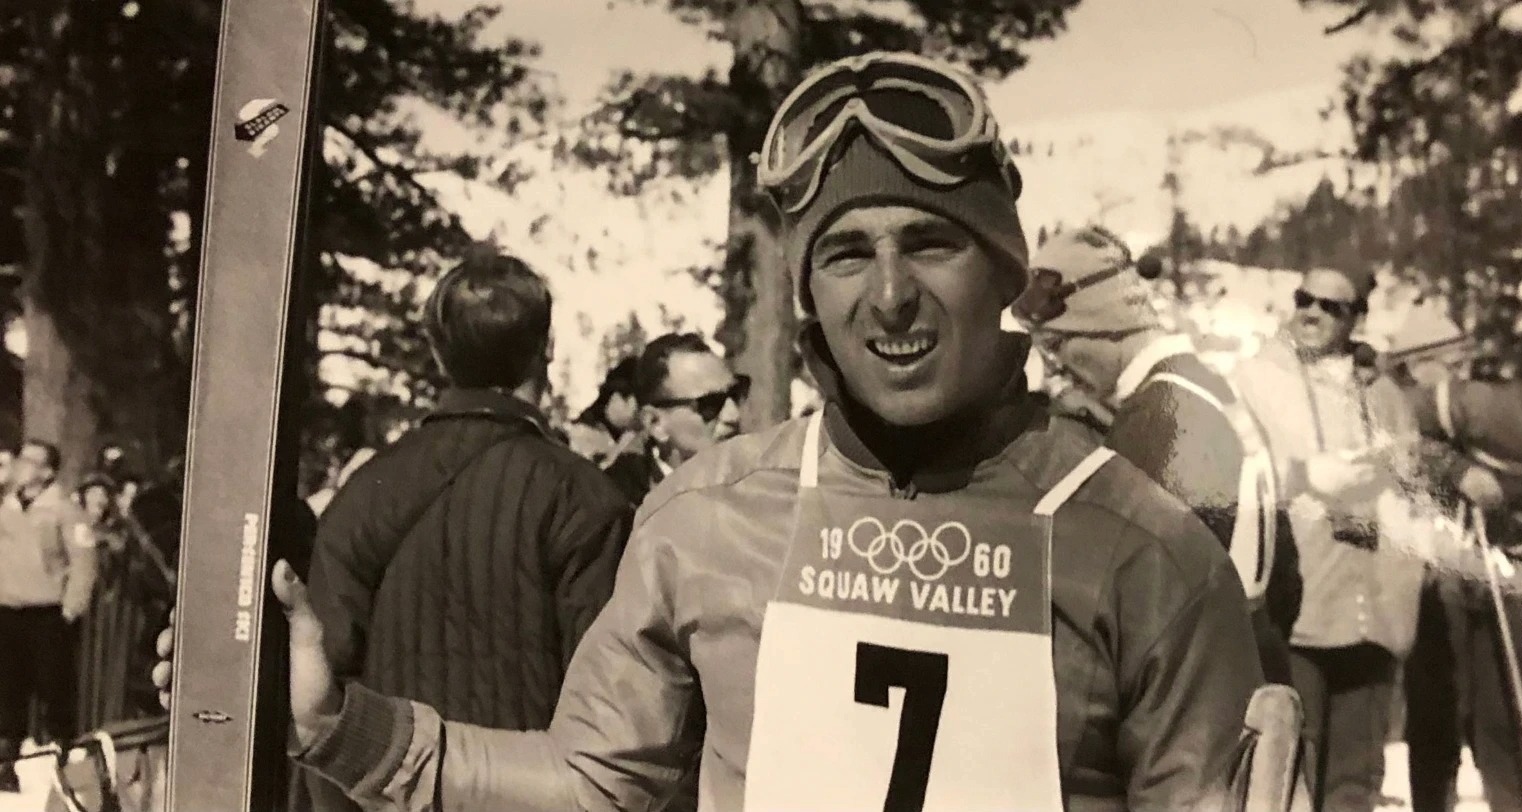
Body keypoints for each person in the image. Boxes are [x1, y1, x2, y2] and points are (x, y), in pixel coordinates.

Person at [160, 52, 1263, 811]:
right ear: (809, 293)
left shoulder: (1146, 551)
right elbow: (591, 782)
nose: (890, 297)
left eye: (931, 243)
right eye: (846, 253)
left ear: (1004, 271)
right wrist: (337, 724)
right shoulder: (707, 512)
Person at [296, 249, 634, 811]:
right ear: (546, 349)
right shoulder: (584, 498)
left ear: (438, 353)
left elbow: (321, 699)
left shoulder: (363, 495)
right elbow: (613, 717)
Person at [1011, 224, 1301, 684]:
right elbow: (1285, 573)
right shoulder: (1203, 386)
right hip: (1251, 655)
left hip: (1201, 682)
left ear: (1104, 325)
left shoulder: (1154, 421)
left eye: (1056, 344)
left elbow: (1115, 605)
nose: (1055, 367)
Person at [1231, 268, 1429, 812]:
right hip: (1297, 611)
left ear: (1356, 319)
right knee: (1291, 766)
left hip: (1374, 609)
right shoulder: (1258, 377)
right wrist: (1303, 473)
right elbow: (1235, 465)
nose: (1312, 312)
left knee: (1356, 775)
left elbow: (1413, 483)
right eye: (1305, 299)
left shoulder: (1382, 393)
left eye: (1330, 306)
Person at [1403, 325, 1522, 812]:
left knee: (1504, 710)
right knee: (1441, 706)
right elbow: (1394, 425)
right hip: (1444, 566)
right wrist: (1458, 472)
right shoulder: (1482, 407)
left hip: (1507, 576)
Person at [0, 440, 97, 792]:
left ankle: (62, 761)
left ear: (47, 471)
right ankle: (5, 763)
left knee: (54, 688)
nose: (21, 465)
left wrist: (71, 609)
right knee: (7, 689)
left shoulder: (64, 508)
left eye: (31, 460)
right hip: (7, 610)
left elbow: (84, 561)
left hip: (47, 613)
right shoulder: (6, 504)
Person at [605, 333, 746, 507]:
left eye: (736, 393)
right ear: (655, 423)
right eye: (710, 404)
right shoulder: (618, 508)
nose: (733, 415)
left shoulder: (765, 488)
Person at [569, 357, 643, 467]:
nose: (641, 416)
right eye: (638, 408)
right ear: (615, 397)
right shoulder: (582, 434)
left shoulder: (639, 439)